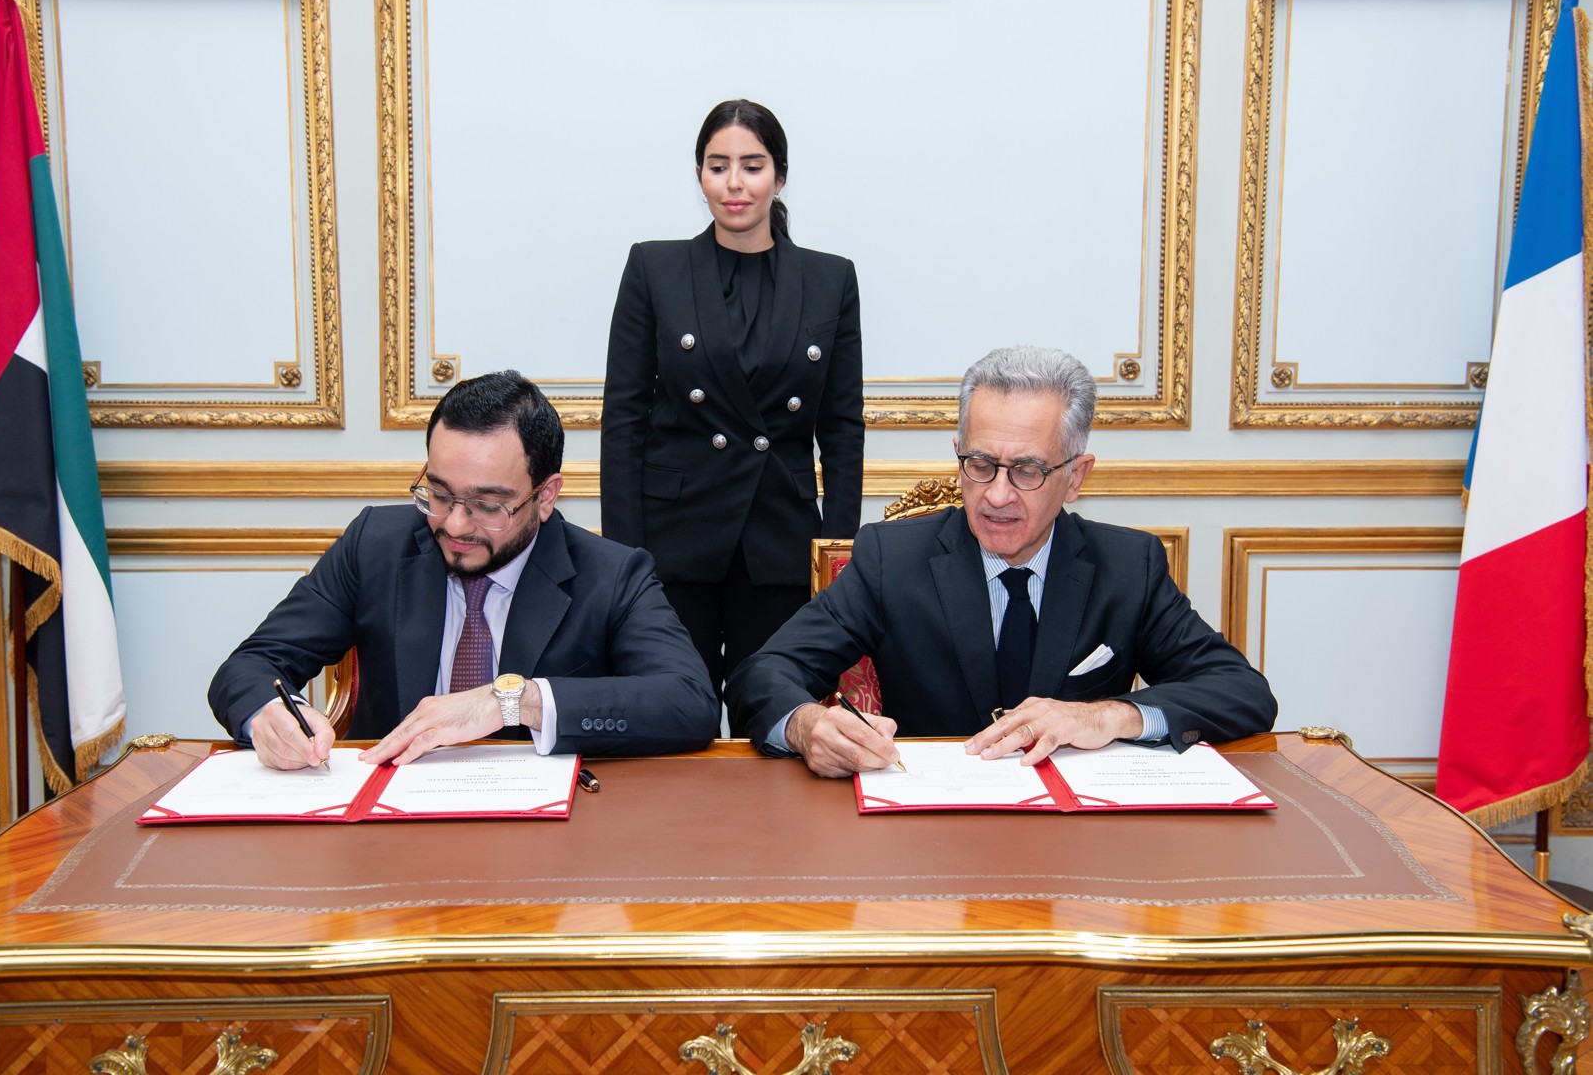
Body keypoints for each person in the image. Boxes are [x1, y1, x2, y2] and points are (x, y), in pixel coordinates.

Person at [728, 346, 1278, 778]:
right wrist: (806, 725)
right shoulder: (891, 558)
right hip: (930, 835)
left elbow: (1241, 690)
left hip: (1075, 846)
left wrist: (1108, 715)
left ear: (1076, 477)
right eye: (981, 464)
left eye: (1028, 471)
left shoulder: (1128, 566)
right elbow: (762, 673)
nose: (996, 495)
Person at [210, 370, 719, 769]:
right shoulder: (375, 545)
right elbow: (251, 665)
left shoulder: (611, 575)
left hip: (544, 842)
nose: (454, 524)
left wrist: (513, 701)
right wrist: (269, 717)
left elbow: (690, 702)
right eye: (438, 493)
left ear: (545, 496)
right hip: (390, 829)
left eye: (487, 505)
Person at [601, 98, 863, 728]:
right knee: (669, 718)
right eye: (718, 167)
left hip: (780, 542)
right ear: (699, 176)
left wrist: (835, 551)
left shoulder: (830, 279)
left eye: (752, 165)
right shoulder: (655, 268)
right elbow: (624, 420)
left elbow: (842, 428)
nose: (734, 183)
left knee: (775, 720)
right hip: (673, 541)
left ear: (780, 176)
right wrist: (624, 559)